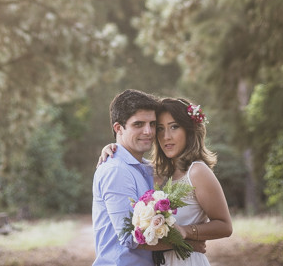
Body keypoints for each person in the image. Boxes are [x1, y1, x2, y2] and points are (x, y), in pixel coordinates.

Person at [100, 96, 233, 265]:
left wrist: (186, 232)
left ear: (189, 130)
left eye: (174, 127)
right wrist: (114, 149)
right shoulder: (155, 172)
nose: (166, 136)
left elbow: (225, 226)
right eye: (160, 129)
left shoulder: (197, 171)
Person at [93, 89, 195, 266]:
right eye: (138, 124)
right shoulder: (116, 170)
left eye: (153, 124)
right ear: (119, 128)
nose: (148, 131)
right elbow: (129, 238)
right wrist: (189, 243)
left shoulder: (147, 168)